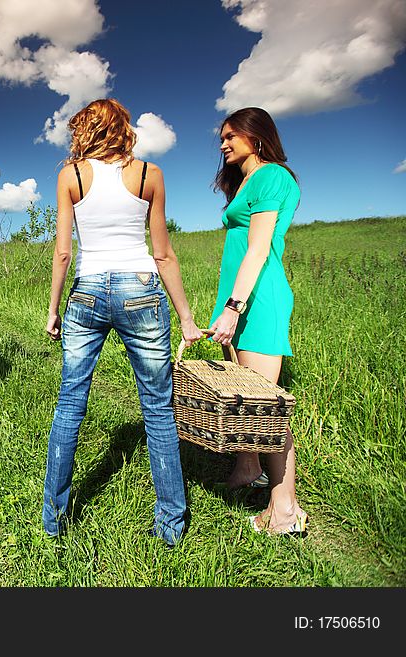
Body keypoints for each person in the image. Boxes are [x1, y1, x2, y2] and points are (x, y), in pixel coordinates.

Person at [42, 99, 203, 545]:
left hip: (88, 290)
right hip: (141, 289)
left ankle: (52, 520)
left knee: (71, 402)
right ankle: (171, 526)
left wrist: (54, 309)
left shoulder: (70, 175)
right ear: (124, 128)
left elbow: (62, 252)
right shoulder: (150, 174)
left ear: (84, 128)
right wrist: (187, 319)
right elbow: (163, 252)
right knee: (158, 407)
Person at [209, 106, 308, 535]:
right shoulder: (247, 181)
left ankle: (285, 509)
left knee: (267, 408)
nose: (224, 143)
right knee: (245, 398)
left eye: (231, 135)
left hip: (256, 299)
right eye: (222, 137)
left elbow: (259, 247)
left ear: (258, 136)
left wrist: (234, 306)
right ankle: (248, 468)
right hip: (239, 298)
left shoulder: (272, 176)